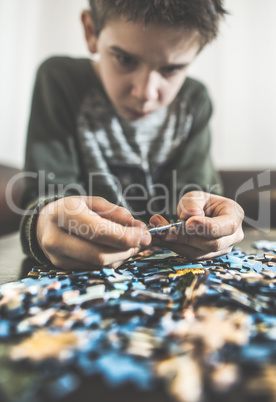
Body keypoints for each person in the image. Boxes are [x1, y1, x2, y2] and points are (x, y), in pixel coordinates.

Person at [20, 0, 244, 270]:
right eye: (125, 59)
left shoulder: (195, 101)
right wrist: (44, 222)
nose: (146, 93)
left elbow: (199, 198)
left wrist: (213, 222)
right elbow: (43, 198)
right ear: (91, 32)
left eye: (171, 69)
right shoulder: (59, 80)